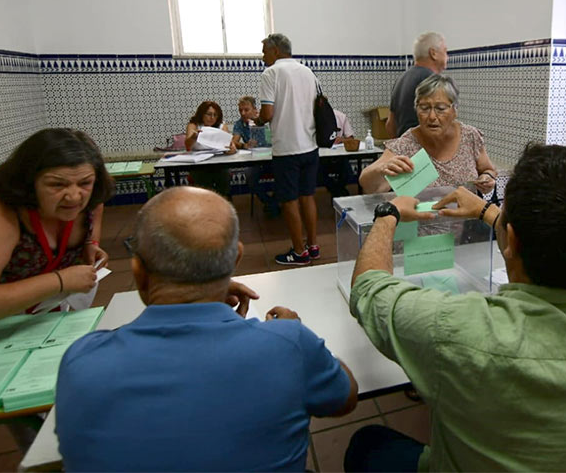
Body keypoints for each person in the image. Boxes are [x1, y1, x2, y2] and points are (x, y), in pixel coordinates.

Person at [346, 144, 566, 471]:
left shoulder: (461, 330)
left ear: (511, 240)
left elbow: (369, 288)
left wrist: (388, 215)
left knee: (368, 443)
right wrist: (487, 211)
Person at [55, 186, 358, 471]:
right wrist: (293, 334)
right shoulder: (288, 343)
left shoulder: (80, 362)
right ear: (236, 257)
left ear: (137, 272)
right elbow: (344, 398)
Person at [0, 128, 113, 325]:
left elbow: (96, 204)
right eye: (57, 185)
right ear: (29, 182)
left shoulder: (90, 195)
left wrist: (89, 242)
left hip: (37, 320)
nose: (73, 196)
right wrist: (60, 281)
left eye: (85, 183)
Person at [359, 74, 496, 195]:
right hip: (422, 221)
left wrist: (487, 178)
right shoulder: (407, 143)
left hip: (466, 220)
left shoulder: (470, 136)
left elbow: (488, 169)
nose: (431, 116)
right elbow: (368, 185)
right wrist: (381, 169)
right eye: (424, 108)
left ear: (455, 110)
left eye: (440, 109)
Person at [255, 33, 321, 265]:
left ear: (275, 51)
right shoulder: (308, 72)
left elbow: (267, 113)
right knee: (308, 197)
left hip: (286, 148)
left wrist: (258, 120)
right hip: (310, 146)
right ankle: (313, 246)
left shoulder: (271, 73)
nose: (263, 56)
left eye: (264, 51)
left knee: (289, 200)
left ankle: (299, 252)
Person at [387, 32, 448, 138]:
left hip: (405, 150)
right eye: (445, 51)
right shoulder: (432, 80)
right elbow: (441, 124)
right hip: (425, 151)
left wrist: (402, 146)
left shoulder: (402, 78)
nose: (448, 57)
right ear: (433, 53)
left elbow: (390, 125)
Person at [231, 96, 279, 215]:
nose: (243, 113)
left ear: (255, 109)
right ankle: (270, 202)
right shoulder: (239, 124)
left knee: (283, 174)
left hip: (273, 157)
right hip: (256, 160)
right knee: (250, 177)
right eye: (240, 110)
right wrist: (244, 145)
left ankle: (275, 201)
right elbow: (234, 142)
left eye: (246, 110)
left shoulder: (266, 119)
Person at [185, 100, 236, 198]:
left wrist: (232, 149)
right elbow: (188, 145)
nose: (212, 118)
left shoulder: (221, 126)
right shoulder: (194, 125)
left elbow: (230, 145)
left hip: (219, 163)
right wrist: (193, 137)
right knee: (202, 180)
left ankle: (224, 204)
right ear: (202, 114)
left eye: (215, 115)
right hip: (199, 164)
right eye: (209, 114)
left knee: (224, 176)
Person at [321, 107, 355, 198]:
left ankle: (338, 189)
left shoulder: (341, 116)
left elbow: (351, 139)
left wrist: (342, 140)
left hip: (339, 155)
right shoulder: (313, 117)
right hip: (321, 156)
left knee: (346, 171)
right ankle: (334, 189)